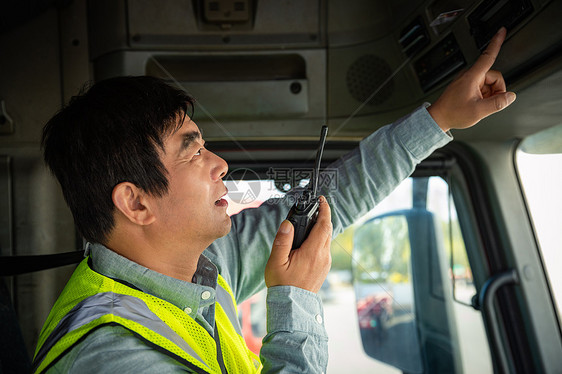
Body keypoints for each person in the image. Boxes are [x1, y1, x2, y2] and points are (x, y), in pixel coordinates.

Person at [32, 28, 515, 373]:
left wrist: (440, 119)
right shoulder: (112, 357)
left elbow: (331, 203)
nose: (220, 164)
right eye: (193, 151)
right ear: (136, 204)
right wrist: (296, 300)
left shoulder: (199, 269)